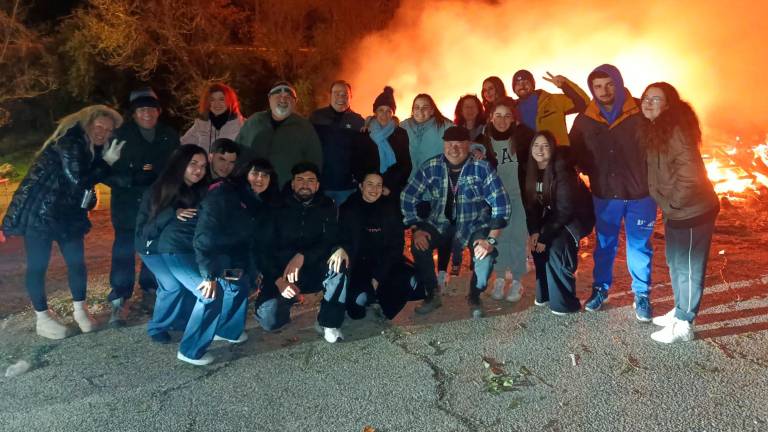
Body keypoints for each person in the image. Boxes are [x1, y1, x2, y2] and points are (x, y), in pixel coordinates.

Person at [2, 105, 125, 339]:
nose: (103, 133)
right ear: (87, 123)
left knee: (76, 262)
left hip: (68, 215)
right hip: (40, 212)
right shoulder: (71, 142)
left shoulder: (92, 148)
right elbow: (79, 178)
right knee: (38, 265)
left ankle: (81, 311)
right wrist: (107, 162)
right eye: (99, 126)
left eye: (109, 130)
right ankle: (43, 319)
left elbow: (95, 178)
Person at [570, 64, 656, 321]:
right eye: (598, 86)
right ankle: (600, 289)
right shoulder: (585, 119)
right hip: (605, 195)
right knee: (605, 244)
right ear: (592, 89)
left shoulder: (640, 110)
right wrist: (587, 170)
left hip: (641, 194)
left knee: (639, 246)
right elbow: (575, 151)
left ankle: (641, 294)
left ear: (618, 84)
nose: (604, 91)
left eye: (609, 85)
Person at [401, 126, 511, 318]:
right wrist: (416, 228)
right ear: (444, 144)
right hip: (439, 223)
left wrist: (490, 240)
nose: (454, 148)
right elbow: (408, 196)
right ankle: (432, 294)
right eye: (449, 144)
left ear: (468, 145)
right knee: (419, 246)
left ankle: (474, 296)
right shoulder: (431, 166)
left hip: (474, 224)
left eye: (459, 144)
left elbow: (501, 204)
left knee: (485, 258)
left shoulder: (482, 168)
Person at [640, 82, 719, 343]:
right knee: (676, 263)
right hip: (676, 210)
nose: (648, 102)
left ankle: (685, 324)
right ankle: (680, 309)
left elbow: (690, 176)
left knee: (688, 268)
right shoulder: (658, 128)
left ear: (668, 105)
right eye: (646, 97)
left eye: (656, 99)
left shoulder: (676, 131)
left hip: (692, 210)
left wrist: (673, 205)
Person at [105, 87, 179, 325]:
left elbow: (177, 167)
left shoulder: (168, 135)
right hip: (127, 205)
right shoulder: (120, 135)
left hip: (157, 204)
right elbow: (105, 171)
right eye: (141, 109)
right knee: (124, 252)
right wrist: (130, 179)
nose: (147, 113)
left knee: (153, 249)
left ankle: (150, 290)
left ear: (159, 111)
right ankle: (120, 297)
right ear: (134, 113)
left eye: (151, 109)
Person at [253, 162, 347, 343]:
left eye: (311, 180)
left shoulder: (326, 205)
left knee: (339, 262)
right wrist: (278, 281)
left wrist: (303, 255)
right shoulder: (275, 206)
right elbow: (263, 249)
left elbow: (329, 238)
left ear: (317, 185)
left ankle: (329, 322)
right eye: (300, 180)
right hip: (282, 271)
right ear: (293, 184)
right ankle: (289, 301)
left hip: (314, 266)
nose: (305, 184)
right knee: (270, 320)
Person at [135, 144, 211, 341]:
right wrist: (172, 213)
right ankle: (157, 327)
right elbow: (146, 230)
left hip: (179, 248)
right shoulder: (160, 189)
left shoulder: (198, 190)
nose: (199, 170)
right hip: (151, 247)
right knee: (172, 286)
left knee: (185, 282)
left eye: (203, 166)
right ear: (181, 164)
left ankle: (180, 321)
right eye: (193, 164)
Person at [524, 131, 594, 315]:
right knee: (536, 245)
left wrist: (545, 237)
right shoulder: (531, 170)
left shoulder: (562, 171)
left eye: (545, 146)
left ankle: (564, 302)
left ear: (553, 148)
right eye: (536, 145)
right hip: (553, 215)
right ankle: (545, 294)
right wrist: (535, 232)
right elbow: (532, 206)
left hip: (575, 219)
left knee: (556, 247)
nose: (540, 150)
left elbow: (565, 210)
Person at [476, 97, 535, 302]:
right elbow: (472, 150)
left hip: (519, 198)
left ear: (513, 119)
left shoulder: (523, 137)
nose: (502, 120)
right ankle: (500, 277)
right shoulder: (484, 140)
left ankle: (517, 280)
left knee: (518, 238)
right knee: (500, 238)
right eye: (498, 116)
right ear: (491, 117)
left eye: (507, 116)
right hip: (497, 201)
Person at [337, 171, 406, 319]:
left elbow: (397, 244)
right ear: (361, 186)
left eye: (378, 185)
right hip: (358, 263)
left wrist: (378, 276)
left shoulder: (390, 209)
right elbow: (342, 240)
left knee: (409, 281)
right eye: (370, 184)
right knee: (357, 308)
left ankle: (381, 300)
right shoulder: (348, 209)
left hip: (384, 261)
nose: (374, 189)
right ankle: (367, 296)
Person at [400, 93, 453, 287]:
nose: (420, 111)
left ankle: (442, 271)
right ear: (412, 109)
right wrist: (371, 123)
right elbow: (384, 127)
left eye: (425, 107)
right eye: (417, 107)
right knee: (421, 230)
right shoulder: (404, 127)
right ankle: (426, 272)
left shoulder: (444, 125)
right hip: (414, 188)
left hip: (439, 188)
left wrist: (477, 148)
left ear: (432, 109)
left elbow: (462, 141)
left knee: (443, 229)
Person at [235, 81, 323, 188]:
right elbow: (237, 152)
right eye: (278, 95)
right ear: (269, 98)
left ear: (295, 102)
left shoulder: (304, 128)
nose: (283, 99)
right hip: (252, 189)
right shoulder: (254, 121)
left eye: (288, 97)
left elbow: (314, 162)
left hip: (285, 191)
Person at [310, 80, 365, 205]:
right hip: (321, 184)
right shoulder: (316, 117)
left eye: (345, 94)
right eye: (336, 93)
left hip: (347, 186)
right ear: (330, 95)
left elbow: (363, 154)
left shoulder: (358, 121)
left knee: (345, 217)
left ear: (350, 97)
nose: (341, 97)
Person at [353, 86, 411, 202]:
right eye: (381, 110)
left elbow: (405, 164)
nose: (384, 114)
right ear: (375, 112)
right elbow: (356, 163)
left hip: (390, 190)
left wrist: (389, 185)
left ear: (393, 114)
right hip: (368, 191)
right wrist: (366, 185)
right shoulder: (364, 134)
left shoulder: (401, 134)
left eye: (388, 111)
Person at [511, 69, 589, 148]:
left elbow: (584, 103)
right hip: (527, 153)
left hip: (557, 152)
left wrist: (565, 85)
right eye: (518, 84)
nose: (522, 86)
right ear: (514, 88)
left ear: (533, 85)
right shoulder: (511, 109)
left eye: (526, 82)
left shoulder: (554, 101)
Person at [181, 83, 244, 152]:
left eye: (221, 99)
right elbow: (182, 146)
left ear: (230, 101)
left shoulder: (241, 125)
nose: (217, 103)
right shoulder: (201, 124)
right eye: (212, 100)